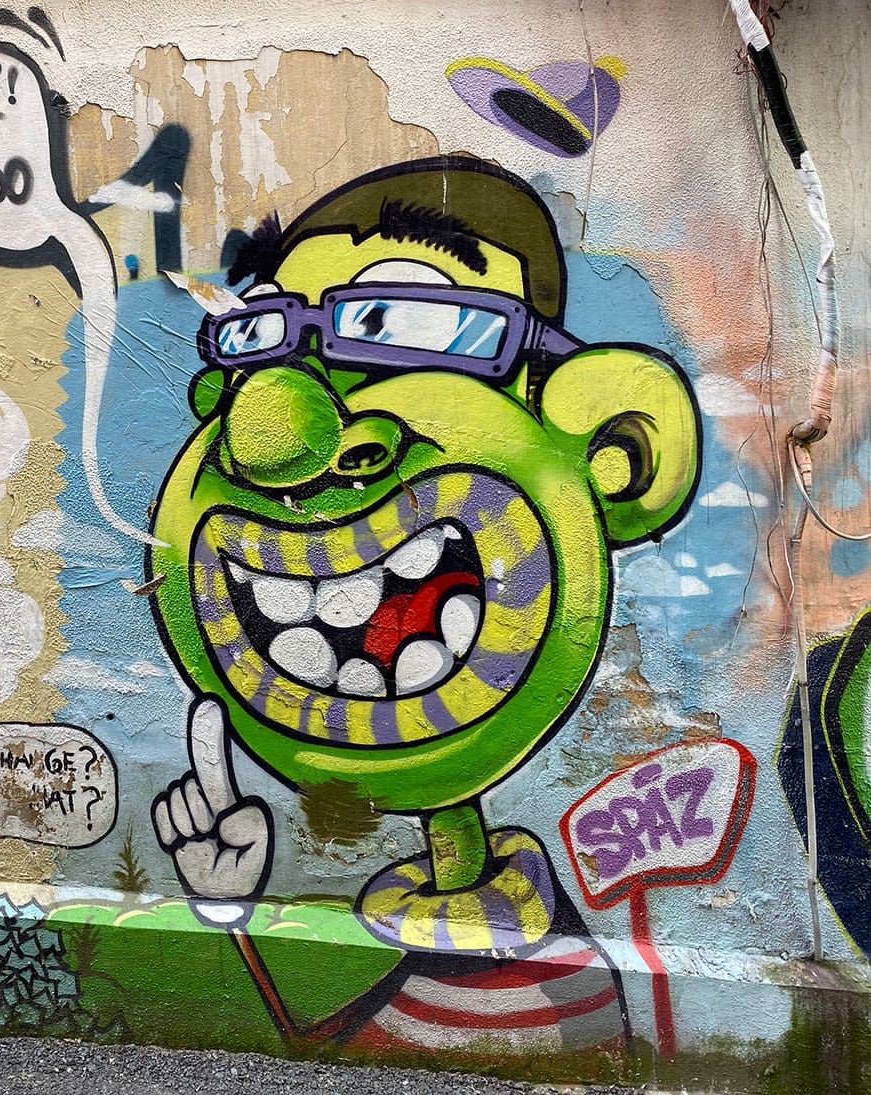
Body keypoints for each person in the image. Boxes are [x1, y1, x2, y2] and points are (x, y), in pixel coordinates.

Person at [148, 156, 701, 1053]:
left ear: (614, 444)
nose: (273, 436)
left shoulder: (549, 951)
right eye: (265, 345)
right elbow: (314, 1049)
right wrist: (230, 907)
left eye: (397, 325)